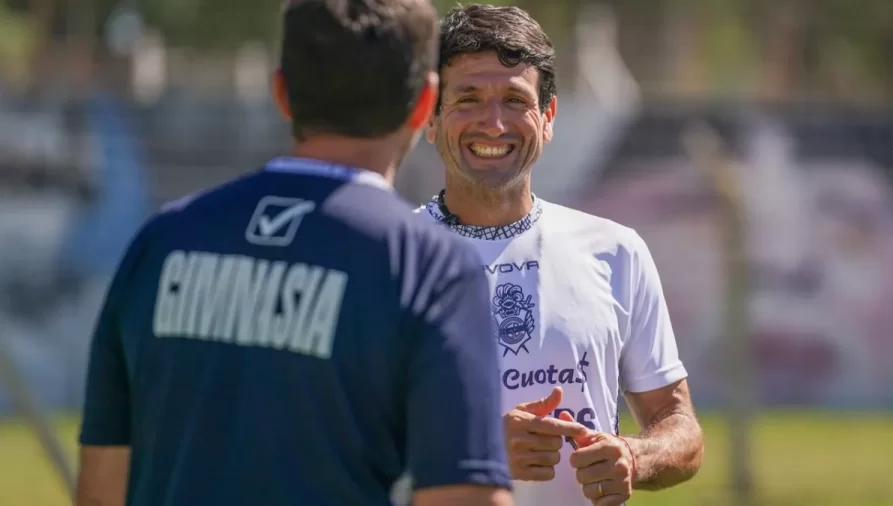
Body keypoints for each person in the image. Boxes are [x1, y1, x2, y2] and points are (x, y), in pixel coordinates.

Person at [74, 1, 514, 505]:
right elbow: (464, 498)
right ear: (424, 103)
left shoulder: (160, 242)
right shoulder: (430, 268)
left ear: (282, 92)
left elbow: (101, 491)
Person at [416, 5, 704, 506]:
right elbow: (332, 440)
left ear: (547, 118)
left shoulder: (616, 251)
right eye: (467, 98)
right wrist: (477, 451)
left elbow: (680, 428)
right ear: (431, 118)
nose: (493, 122)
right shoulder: (390, 256)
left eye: (514, 99)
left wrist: (635, 457)